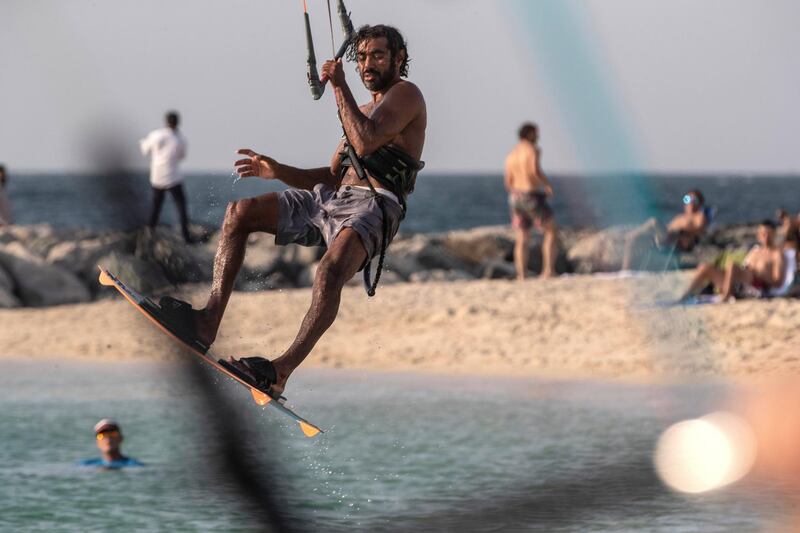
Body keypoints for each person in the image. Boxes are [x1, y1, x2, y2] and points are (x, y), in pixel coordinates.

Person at [152, 25, 426, 397]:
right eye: (361, 57)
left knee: (329, 272)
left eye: (377, 55)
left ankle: (279, 372)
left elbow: (365, 142)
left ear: (399, 59)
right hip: (331, 200)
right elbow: (332, 176)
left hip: (375, 206)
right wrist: (277, 171)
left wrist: (338, 85)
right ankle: (207, 322)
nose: (367, 64)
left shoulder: (406, 95)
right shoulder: (360, 110)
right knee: (240, 212)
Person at [680, 219, 789, 302]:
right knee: (705, 267)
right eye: (761, 233)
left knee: (732, 266)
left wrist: (759, 274)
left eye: (767, 233)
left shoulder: (777, 254)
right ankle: (685, 296)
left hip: (756, 286)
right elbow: (744, 267)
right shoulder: (755, 251)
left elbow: (778, 282)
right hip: (738, 283)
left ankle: (726, 297)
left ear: (774, 234)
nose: (764, 236)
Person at [504, 123, 558, 279]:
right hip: (531, 195)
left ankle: (521, 274)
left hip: (515, 197)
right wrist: (547, 185)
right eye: (536, 134)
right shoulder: (532, 150)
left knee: (522, 236)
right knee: (551, 231)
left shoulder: (511, 155)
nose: (539, 137)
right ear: (529, 134)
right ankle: (548, 271)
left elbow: (507, 182)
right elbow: (534, 170)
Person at [621, 189, 708, 271]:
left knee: (654, 222)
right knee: (632, 241)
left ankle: (632, 234)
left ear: (699, 203)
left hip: (675, 241)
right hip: (664, 238)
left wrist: (684, 234)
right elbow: (668, 227)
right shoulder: (680, 217)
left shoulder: (699, 217)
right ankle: (625, 272)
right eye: (687, 199)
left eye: (694, 200)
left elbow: (699, 230)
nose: (690, 203)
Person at [139, 111, 192, 243]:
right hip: (173, 177)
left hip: (157, 176)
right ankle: (186, 235)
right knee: (181, 206)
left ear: (166, 121)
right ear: (177, 122)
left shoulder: (155, 135)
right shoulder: (180, 139)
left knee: (156, 206)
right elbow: (181, 156)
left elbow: (145, 150)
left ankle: (149, 232)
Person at [78, 419, 143, 469]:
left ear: (120, 438)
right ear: (97, 442)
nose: (108, 438)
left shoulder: (134, 465)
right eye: (101, 436)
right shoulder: (85, 465)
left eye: (112, 434)